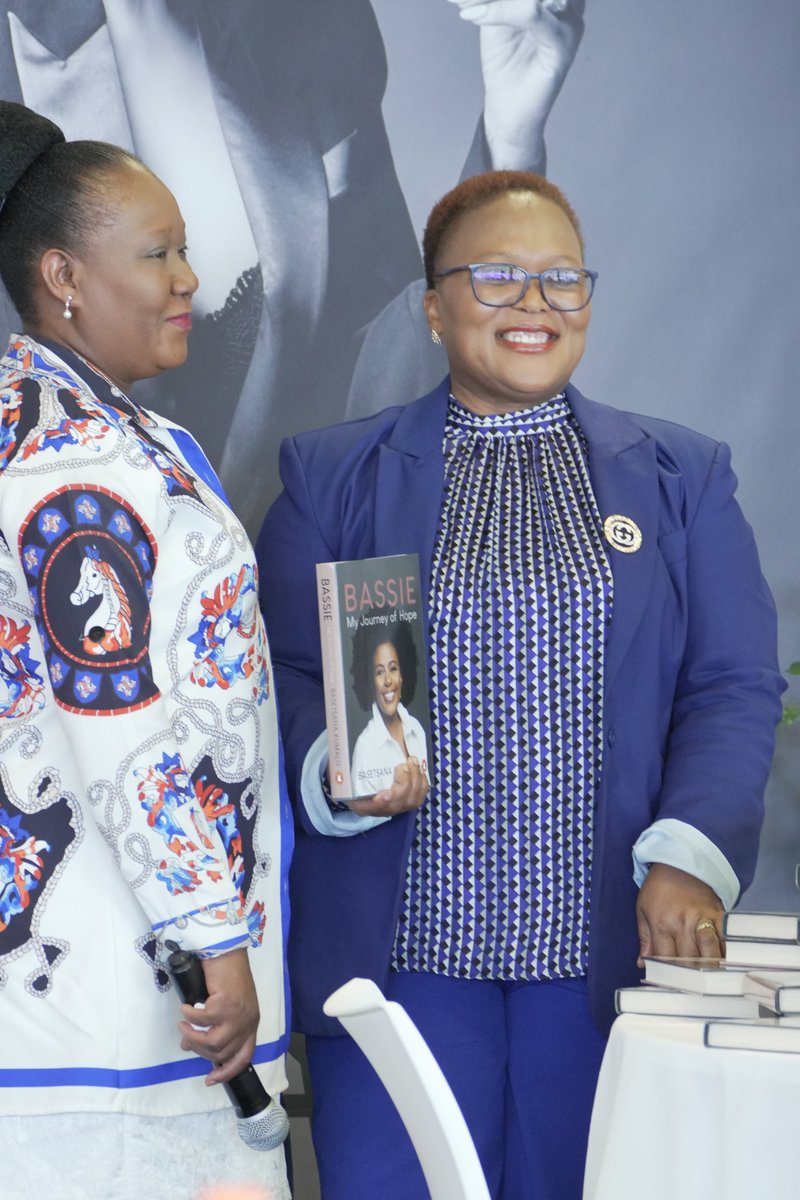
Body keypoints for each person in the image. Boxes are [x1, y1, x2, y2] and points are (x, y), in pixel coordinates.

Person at [256, 169, 784, 1199]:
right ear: (432, 304)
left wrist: (687, 857)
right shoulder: (332, 475)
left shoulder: (681, 476)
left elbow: (728, 684)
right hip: (400, 956)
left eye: (560, 281)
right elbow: (275, 673)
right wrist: (334, 765)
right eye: (496, 278)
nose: (533, 306)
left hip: (604, 953)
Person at [0, 102, 291, 1200]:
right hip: (120, 1009)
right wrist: (214, 937)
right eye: (158, 252)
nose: (187, 278)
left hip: (130, 990)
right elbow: (115, 724)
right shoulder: (70, 454)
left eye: (185, 248)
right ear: (65, 276)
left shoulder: (112, 428)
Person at [0, 0, 586, 534]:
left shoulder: (301, 17)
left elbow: (398, 356)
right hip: (82, 614)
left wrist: (509, 137)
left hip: (331, 587)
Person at [349, 622, 431, 798]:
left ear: (401, 676)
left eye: (393, 669)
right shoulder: (364, 747)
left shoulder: (416, 729)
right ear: (371, 683)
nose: (388, 680)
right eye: (379, 672)